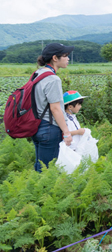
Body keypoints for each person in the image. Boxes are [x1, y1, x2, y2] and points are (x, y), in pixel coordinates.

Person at [31, 43, 74, 172]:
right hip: (49, 128)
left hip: (36, 125)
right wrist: (66, 132)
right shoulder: (53, 79)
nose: (68, 59)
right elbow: (55, 109)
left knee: (40, 165)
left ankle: (37, 190)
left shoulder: (38, 73)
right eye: (65, 56)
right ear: (55, 58)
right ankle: (43, 191)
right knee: (48, 170)